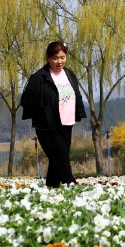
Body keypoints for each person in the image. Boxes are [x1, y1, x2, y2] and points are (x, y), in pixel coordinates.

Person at [20, 41, 86, 187]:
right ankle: (70, 183)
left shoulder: (69, 74)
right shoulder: (39, 77)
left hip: (67, 122)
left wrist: (78, 112)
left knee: (58, 158)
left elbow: (77, 95)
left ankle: (52, 185)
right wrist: (41, 112)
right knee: (61, 157)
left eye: (62, 57)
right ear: (48, 58)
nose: (59, 61)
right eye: (55, 58)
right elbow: (26, 100)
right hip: (47, 125)